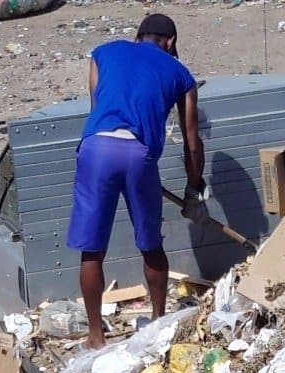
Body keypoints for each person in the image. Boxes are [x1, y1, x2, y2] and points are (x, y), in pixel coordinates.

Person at [67, 12, 205, 349]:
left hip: (96, 149)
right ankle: (158, 325)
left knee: (92, 251)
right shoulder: (181, 74)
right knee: (151, 245)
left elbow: (97, 106)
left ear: (138, 35)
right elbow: (191, 140)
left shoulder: (102, 53)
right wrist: (193, 187)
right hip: (138, 154)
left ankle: (96, 337)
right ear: (170, 42)